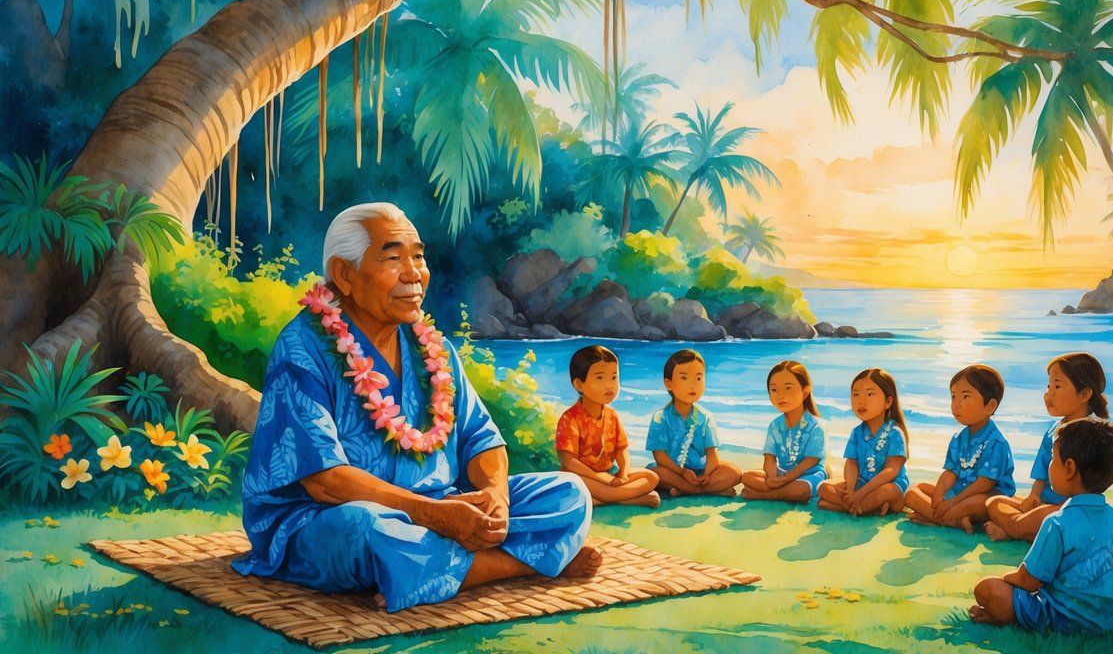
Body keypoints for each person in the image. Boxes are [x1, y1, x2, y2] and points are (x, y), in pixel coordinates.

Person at [233, 203, 598, 613]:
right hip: (325, 519)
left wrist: (495, 496)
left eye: (418, 257)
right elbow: (324, 482)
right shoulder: (302, 347)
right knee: (367, 529)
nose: (414, 274)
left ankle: (444, 569)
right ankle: (519, 564)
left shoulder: (432, 349)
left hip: (446, 504)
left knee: (570, 493)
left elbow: (481, 438)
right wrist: (432, 515)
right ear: (344, 275)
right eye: (393, 258)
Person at [969, 417, 1113, 634]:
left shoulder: (1057, 523)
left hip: (1064, 619)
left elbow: (1029, 580)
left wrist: (1007, 577)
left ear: (1069, 468)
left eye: (1052, 459)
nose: (1049, 465)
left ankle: (1007, 618)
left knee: (987, 588)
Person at [985, 353, 1108, 542]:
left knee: (1041, 520)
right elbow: (1041, 473)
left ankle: (1014, 531)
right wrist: (1034, 496)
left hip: (1071, 509)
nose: (1048, 394)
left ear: (1085, 394)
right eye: (1049, 386)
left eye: (1057, 386)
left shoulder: (1092, 434)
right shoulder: (1053, 429)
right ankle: (1025, 529)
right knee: (994, 502)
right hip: (1044, 503)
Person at [904, 364, 1015, 533]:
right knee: (914, 491)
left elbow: (984, 484)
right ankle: (951, 520)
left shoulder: (996, 442)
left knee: (975, 503)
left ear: (990, 406)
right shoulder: (958, 439)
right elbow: (951, 472)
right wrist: (939, 496)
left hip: (986, 495)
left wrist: (952, 502)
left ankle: (935, 518)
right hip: (959, 492)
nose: (956, 405)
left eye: (965, 397)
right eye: (953, 397)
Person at [556, 345, 661, 508]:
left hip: (608, 474)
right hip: (581, 476)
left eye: (614, 377)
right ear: (579, 384)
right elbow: (569, 462)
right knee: (581, 485)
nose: (609, 385)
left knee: (651, 477)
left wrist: (624, 474)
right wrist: (602, 478)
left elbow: (621, 449)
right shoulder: (570, 418)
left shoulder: (612, 415)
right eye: (600, 378)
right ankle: (622, 498)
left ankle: (600, 499)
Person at [645, 350, 742, 497]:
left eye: (698, 378)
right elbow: (660, 456)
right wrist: (682, 472)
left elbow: (712, 454)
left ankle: (687, 490)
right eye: (684, 378)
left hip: (701, 471)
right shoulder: (660, 418)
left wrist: (707, 475)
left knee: (734, 471)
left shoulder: (705, 417)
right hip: (673, 472)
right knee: (655, 474)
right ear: (669, 384)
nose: (692, 385)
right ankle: (709, 490)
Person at [816, 368, 910, 516]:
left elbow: (891, 471)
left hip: (889, 484)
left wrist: (859, 494)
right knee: (823, 488)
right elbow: (851, 463)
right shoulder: (857, 432)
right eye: (855, 394)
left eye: (870, 394)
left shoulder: (895, 432)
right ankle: (867, 508)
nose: (861, 400)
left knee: (886, 492)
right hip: (861, 483)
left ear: (888, 402)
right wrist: (851, 489)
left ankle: (852, 506)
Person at [740, 360, 828, 503]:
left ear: (805, 392)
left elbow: (811, 460)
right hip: (783, 474)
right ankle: (782, 492)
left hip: (810, 474)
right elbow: (769, 458)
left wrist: (787, 479)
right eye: (774, 390)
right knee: (747, 477)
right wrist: (772, 477)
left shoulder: (817, 426)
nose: (780, 395)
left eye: (788, 388)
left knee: (800, 490)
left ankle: (765, 496)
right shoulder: (775, 425)